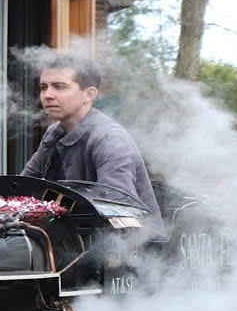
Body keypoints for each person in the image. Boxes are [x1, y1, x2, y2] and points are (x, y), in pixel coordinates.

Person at [20, 54, 161, 221]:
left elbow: (118, 207)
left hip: (134, 243)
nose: (47, 95)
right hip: (75, 238)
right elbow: (24, 186)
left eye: (59, 87)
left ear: (89, 94)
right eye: (44, 87)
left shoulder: (109, 139)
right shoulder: (54, 133)